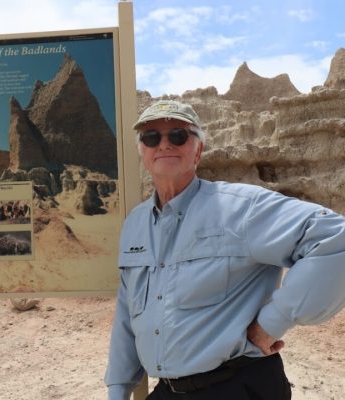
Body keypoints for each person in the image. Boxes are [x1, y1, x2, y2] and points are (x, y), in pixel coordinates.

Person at [105, 100, 345, 399]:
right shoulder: (136, 224)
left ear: (199, 150)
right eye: (151, 137)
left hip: (236, 386)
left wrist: (274, 321)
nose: (164, 144)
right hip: (167, 390)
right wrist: (118, 389)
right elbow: (128, 312)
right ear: (142, 151)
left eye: (178, 135)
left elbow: (336, 239)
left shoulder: (242, 208)